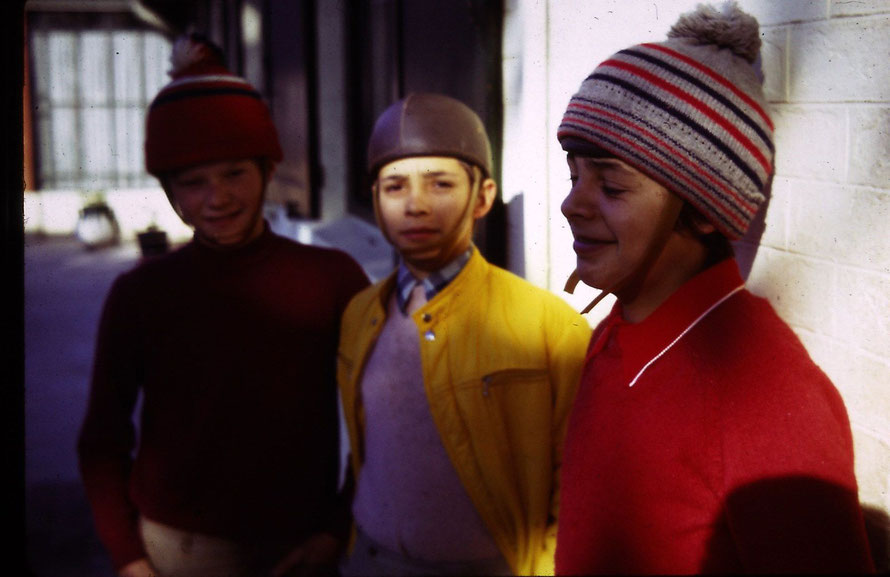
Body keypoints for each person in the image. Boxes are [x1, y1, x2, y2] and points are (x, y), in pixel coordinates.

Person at [553, 3, 875, 574]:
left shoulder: (767, 395)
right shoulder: (617, 330)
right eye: (574, 174)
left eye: (610, 183)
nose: (571, 204)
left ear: (702, 210)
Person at [77, 34, 369, 577]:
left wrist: (336, 525)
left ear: (266, 169)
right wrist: (129, 558)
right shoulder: (141, 294)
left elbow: (381, 417)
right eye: (193, 182)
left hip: (303, 543)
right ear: (169, 192)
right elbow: (102, 439)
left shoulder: (331, 279)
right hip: (180, 549)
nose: (218, 198)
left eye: (235, 172)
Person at [336, 92, 591, 576]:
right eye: (394, 186)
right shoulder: (359, 314)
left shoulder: (548, 327)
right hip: (369, 558)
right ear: (374, 198)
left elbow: (580, 484)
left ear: (483, 196)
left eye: (440, 184)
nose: (415, 205)